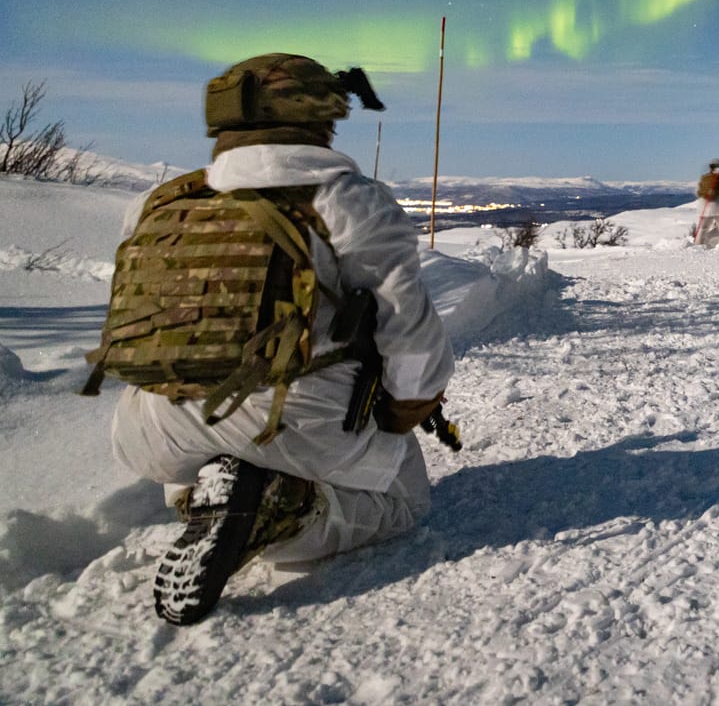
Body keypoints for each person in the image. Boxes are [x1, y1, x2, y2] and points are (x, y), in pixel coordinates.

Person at [94, 53, 453, 625]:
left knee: (202, 447)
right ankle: (288, 510)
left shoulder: (158, 203)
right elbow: (409, 334)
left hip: (149, 427)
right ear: (320, 116)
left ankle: (199, 498)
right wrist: (406, 408)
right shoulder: (347, 200)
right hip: (293, 416)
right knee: (405, 501)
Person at [691, 158, 719, 246]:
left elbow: (697, 191)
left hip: (705, 206)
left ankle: (697, 244)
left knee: (703, 227)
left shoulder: (704, 177)